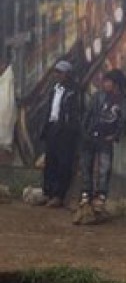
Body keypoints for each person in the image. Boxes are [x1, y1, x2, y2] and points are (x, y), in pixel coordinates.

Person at [77, 68, 126, 214]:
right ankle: (86, 195)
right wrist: (84, 131)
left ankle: (100, 197)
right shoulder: (99, 96)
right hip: (91, 135)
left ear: (116, 84)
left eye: (108, 81)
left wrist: (115, 136)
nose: (104, 84)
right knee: (86, 166)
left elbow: (125, 121)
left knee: (104, 168)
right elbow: (88, 114)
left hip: (106, 138)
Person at [36, 60, 82, 208]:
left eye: (60, 73)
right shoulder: (54, 89)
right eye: (56, 72)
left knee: (64, 163)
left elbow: (77, 112)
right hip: (52, 127)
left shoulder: (74, 91)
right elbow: (50, 109)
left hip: (65, 131)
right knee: (50, 162)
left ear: (68, 74)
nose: (57, 75)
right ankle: (47, 192)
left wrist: (70, 128)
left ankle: (58, 195)